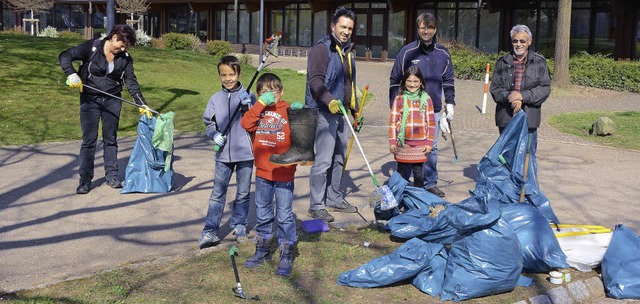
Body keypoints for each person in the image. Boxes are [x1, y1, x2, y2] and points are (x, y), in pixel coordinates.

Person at [59, 24, 151, 195]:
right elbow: (64, 56)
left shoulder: (126, 58)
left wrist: (141, 104)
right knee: (89, 141)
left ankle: (112, 176)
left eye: (125, 47)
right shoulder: (91, 47)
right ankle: (85, 180)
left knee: (111, 139)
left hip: (113, 101)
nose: (122, 49)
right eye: (121, 45)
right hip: (90, 99)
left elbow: (131, 82)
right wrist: (71, 74)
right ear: (114, 37)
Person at [240, 73, 307, 276]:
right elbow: (245, 124)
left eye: (274, 91)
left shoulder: (286, 110)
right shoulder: (258, 111)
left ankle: (287, 251)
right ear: (259, 95)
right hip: (262, 172)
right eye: (264, 91)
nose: (270, 94)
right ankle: (263, 249)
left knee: (285, 215)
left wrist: (299, 114)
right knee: (263, 212)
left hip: (284, 172)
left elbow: (304, 136)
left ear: (282, 92)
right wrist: (260, 103)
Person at [389, 12, 455, 198]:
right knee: (406, 144)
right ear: (418, 29)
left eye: (430, 27)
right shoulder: (407, 52)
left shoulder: (443, 53)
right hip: (407, 109)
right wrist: (395, 105)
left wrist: (450, 103)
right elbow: (395, 79)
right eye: (422, 27)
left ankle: (429, 182)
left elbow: (448, 80)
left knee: (431, 148)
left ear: (435, 30)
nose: (426, 31)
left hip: (431, 109)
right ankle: (404, 181)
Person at [305, 7, 359, 223]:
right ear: (333, 26)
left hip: (342, 113)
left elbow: (349, 84)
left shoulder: (347, 51)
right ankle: (316, 204)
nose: (346, 31)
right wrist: (330, 101)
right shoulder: (322, 49)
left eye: (350, 28)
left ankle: (333, 197)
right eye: (343, 27)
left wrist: (353, 110)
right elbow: (315, 81)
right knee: (324, 160)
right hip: (324, 112)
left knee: (339, 159)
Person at [199, 55, 256, 249]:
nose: (228, 78)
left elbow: (256, 121)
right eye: (223, 75)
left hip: (246, 154)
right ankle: (209, 231)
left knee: (242, 193)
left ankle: (239, 226)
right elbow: (208, 123)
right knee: (217, 193)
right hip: (223, 155)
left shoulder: (248, 96)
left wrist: (249, 106)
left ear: (239, 73)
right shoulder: (215, 99)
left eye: (231, 74)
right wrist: (214, 134)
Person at [490, 24, 550, 174]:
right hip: (506, 117)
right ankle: (508, 191)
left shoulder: (539, 62)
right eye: (515, 41)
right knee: (506, 156)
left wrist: (522, 96)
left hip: (529, 119)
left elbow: (544, 89)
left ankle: (527, 191)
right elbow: (495, 89)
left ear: (529, 41)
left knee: (528, 158)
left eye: (522, 41)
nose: (519, 44)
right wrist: (511, 97)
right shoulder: (502, 62)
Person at [389, 66, 436, 187]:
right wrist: (393, 142)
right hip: (402, 144)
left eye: (415, 81)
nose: (412, 84)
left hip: (420, 145)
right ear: (404, 82)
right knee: (402, 174)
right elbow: (393, 122)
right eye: (409, 81)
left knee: (418, 174)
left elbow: (431, 123)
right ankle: (401, 198)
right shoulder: (399, 99)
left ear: (421, 82)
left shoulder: (426, 99)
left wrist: (429, 143)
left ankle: (417, 200)